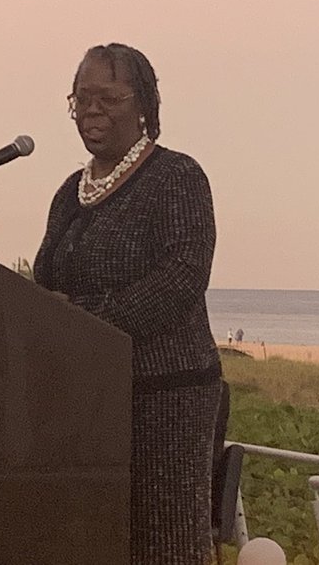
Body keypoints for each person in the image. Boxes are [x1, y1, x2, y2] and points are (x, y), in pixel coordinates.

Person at [35, 44, 221, 565]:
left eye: (108, 98)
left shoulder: (177, 177)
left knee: (162, 541)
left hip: (165, 396)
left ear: (143, 105)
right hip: (87, 395)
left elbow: (182, 278)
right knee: (92, 536)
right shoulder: (69, 193)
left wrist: (83, 322)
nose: (91, 111)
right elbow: (48, 277)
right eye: (81, 99)